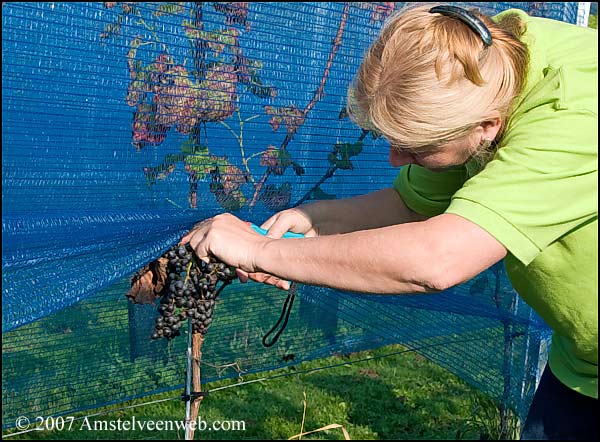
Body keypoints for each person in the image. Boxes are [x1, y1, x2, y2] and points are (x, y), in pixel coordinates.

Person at [181, 4, 598, 439]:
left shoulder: (577, 113)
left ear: (488, 127)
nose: (396, 160)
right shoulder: (476, 65)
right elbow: (413, 204)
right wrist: (315, 220)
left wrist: (260, 251)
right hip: (581, 364)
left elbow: (438, 260)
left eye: (415, 148)